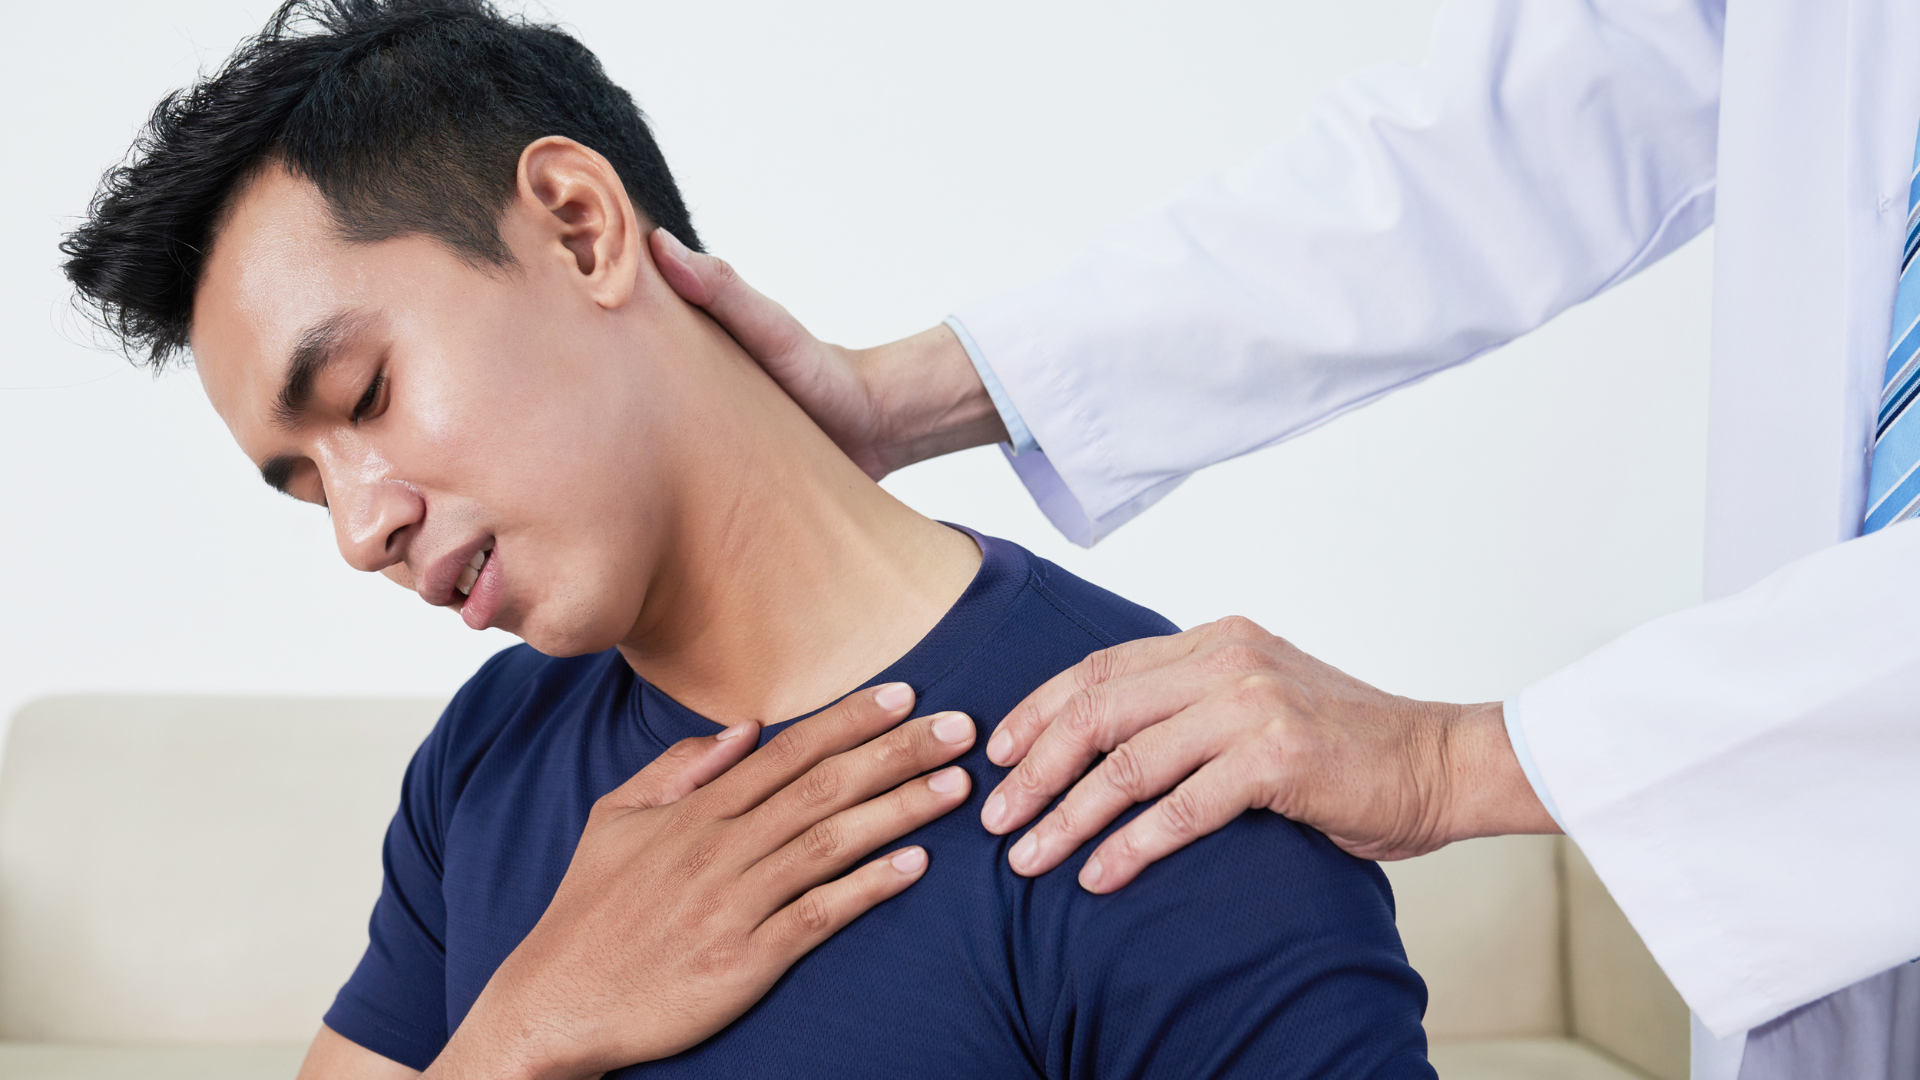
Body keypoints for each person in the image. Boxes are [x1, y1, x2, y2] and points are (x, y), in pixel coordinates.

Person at [59, 1, 1437, 1077]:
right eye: (306, 485)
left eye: (365, 396)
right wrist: (524, 1033)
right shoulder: (489, 757)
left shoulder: (1158, 789)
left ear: (580, 226)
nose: (360, 529)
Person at [638, 2, 1920, 1078]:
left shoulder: (1221, 891)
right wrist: (923, 386)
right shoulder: (507, 757)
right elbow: (1517, 140)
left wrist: (1452, 765)